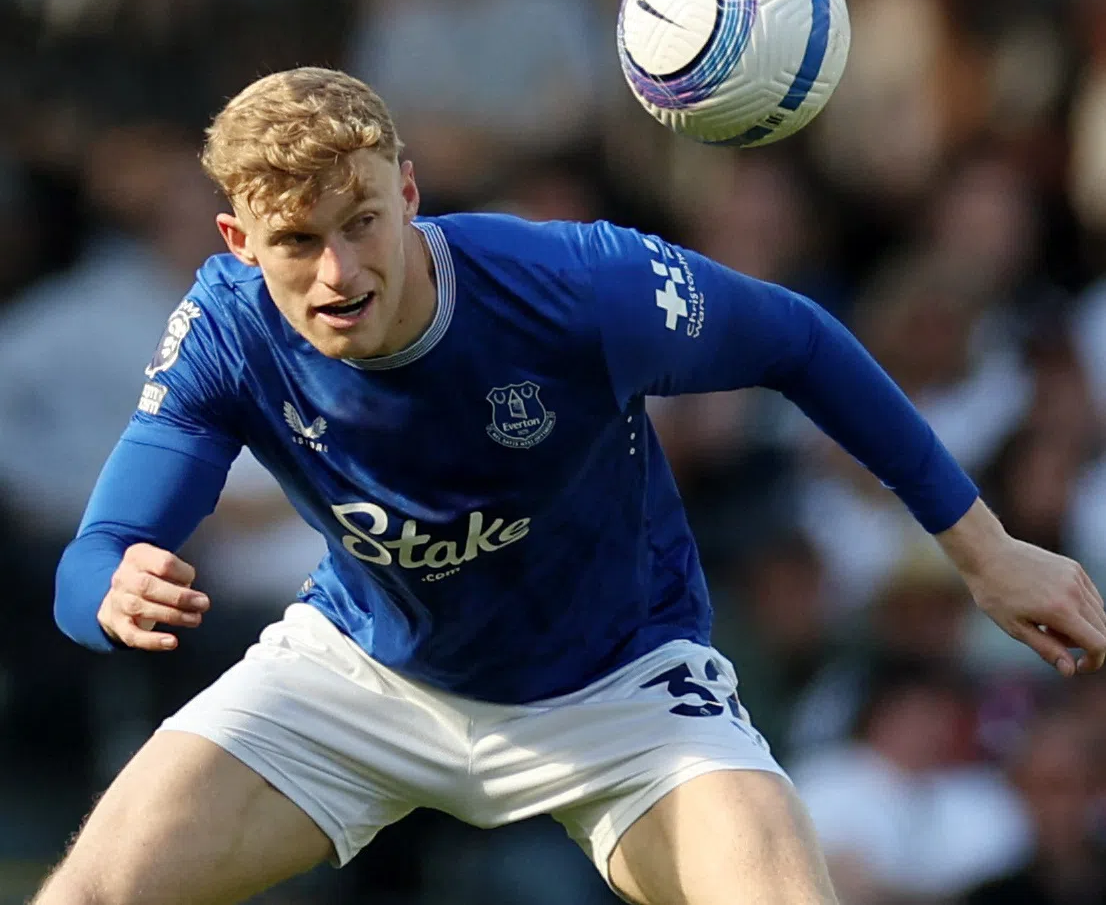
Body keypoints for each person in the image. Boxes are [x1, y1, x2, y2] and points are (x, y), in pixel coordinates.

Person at [35, 67, 1106, 905]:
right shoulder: (227, 329)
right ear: (237, 240)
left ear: (405, 189)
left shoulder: (572, 287)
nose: (339, 273)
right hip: (360, 677)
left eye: (361, 221)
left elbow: (800, 340)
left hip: (620, 688)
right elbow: (94, 556)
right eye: (296, 242)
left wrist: (984, 547)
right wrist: (111, 590)